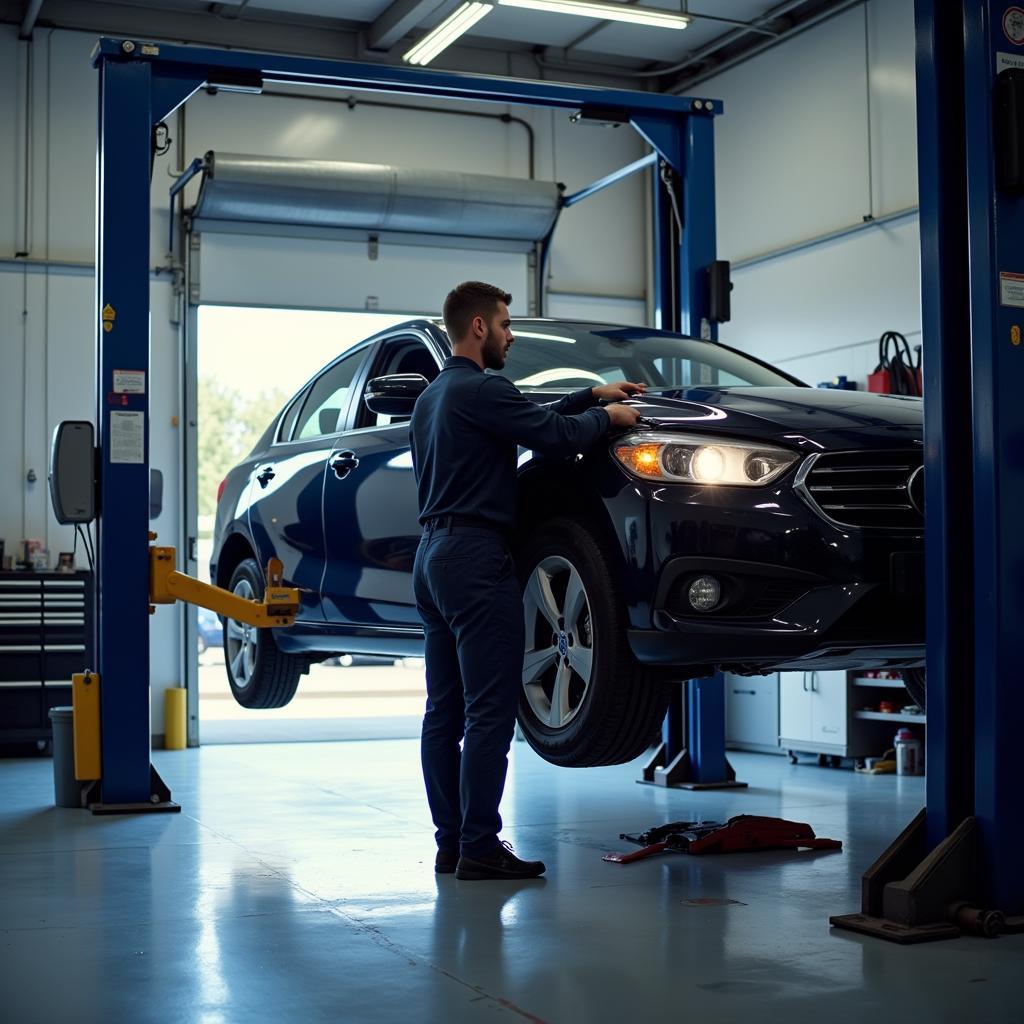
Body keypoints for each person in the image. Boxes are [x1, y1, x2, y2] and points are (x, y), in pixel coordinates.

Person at [409, 281, 644, 880]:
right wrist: (609, 417)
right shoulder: (483, 388)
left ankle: (452, 843)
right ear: (480, 328)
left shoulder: (434, 398)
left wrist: (589, 393)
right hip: (475, 556)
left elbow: (529, 416)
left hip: (433, 557)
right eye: (507, 325)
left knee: (444, 713)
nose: (511, 335)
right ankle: (482, 848)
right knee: (491, 712)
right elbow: (553, 436)